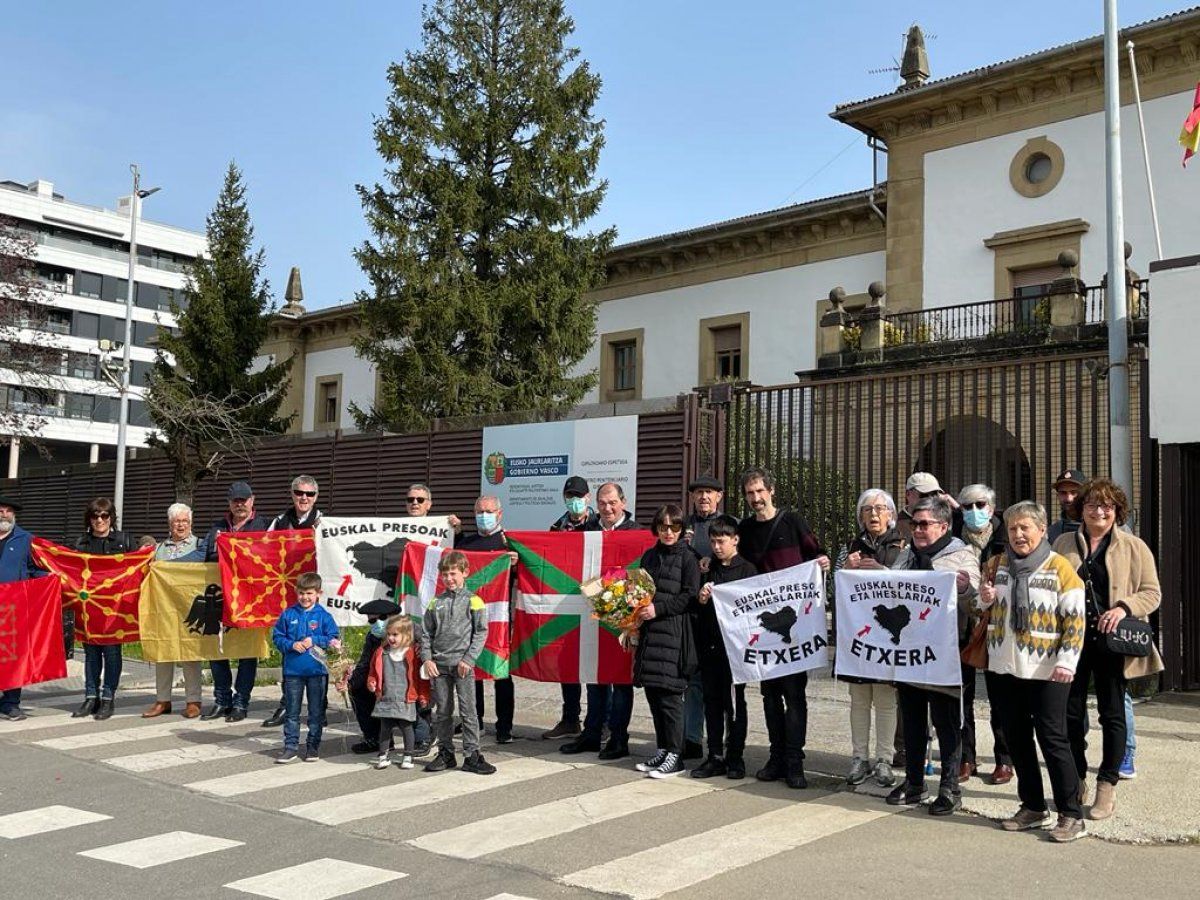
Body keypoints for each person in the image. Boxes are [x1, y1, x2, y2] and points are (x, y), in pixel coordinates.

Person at [1053, 478, 1163, 821]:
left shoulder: (1134, 547)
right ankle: (1076, 779)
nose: (1098, 511)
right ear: (1081, 509)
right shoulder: (1063, 543)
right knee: (1070, 715)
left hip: (1112, 643)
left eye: (1106, 506)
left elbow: (1152, 593)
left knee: (1112, 714)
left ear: (1117, 511)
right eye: (1091, 505)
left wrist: (1124, 607)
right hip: (1072, 641)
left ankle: (1107, 784)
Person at [980, 500, 1087, 843]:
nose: (1018, 534)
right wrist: (984, 597)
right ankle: (1033, 807)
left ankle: (1071, 813)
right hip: (1004, 666)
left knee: (1053, 739)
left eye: (1025, 527)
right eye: (1013, 528)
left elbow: (1075, 621)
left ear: (1042, 530)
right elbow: (983, 607)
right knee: (1016, 738)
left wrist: (1067, 661)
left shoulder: (1060, 568)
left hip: (1047, 669)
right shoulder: (997, 564)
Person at [735, 466, 829, 789]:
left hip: (795, 624)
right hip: (764, 628)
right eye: (750, 493)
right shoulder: (745, 530)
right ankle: (776, 757)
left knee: (795, 695)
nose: (756, 498)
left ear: (771, 490)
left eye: (760, 491)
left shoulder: (793, 522)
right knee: (770, 696)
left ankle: (794, 761)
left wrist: (823, 561)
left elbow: (816, 553)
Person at [886, 495, 979, 816]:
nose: (917, 530)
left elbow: (976, 604)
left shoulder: (961, 556)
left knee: (947, 720)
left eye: (924, 524)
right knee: (912, 719)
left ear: (943, 526)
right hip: (910, 649)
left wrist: (965, 589)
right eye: (914, 524)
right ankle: (914, 782)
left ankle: (950, 788)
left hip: (946, 654)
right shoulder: (906, 555)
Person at [561, 482, 642, 761]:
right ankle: (592, 733)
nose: (607, 508)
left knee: (621, 681)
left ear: (623, 502)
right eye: (602, 503)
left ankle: (618, 737)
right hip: (593, 615)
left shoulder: (637, 533)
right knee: (594, 677)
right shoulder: (587, 531)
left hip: (623, 619)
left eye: (612, 503)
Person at [836, 488, 905, 788]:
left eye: (879, 508)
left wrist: (882, 571)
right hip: (858, 636)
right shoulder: (850, 547)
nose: (874, 514)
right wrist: (845, 569)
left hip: (888, 636)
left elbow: (910, 588)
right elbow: (834, 588)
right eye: (867, 510)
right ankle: (859, 758)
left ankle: (884, 760)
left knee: (886, 701)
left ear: (891, 514)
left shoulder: (903, 547)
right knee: (859, 700)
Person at [632, 504, 700, 779]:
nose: (669, 532)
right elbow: (639, 592)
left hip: (674, 633)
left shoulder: (689, 558)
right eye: (663, 527)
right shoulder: (649, 556)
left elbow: (690, 596)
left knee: (670, 697)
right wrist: (633, 622)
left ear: (682, 529)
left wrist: (659, 609)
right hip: (650, 634)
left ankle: (676, 755)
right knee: (654, 694)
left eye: (674, 527)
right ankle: (663, 749)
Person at [955, 483, 1013, 785]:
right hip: (962, 624)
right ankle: (966, 757)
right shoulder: (954, 541)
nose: (974, 511)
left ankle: (1005, 759)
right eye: (967, 506)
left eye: (980, 505)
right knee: (961, 695)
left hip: (997, 626)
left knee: (1000, 697)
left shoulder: (1006, 539)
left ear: (991, 508)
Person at [693, 514, 756, 779]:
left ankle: (735, 756)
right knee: (711, 702)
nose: (717, 547)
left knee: (734, 704)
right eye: (713, 542)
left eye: (721, 541)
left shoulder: (748, 570)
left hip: (736, 651)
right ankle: (715, 755)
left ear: (735, 540)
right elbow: (697, 607)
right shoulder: (708, 569)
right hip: (710, 647)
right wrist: (702, 598)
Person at [421, 550, 496, 775]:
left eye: (453, 573)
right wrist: (427, 659)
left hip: (462, 667)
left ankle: (472, 755)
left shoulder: (474, 600)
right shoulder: (435, 602)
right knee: (443, 712)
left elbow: (481, 632)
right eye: (445, 575)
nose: (449, 578)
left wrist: (468, 659)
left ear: (465, 573)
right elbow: (426, 633)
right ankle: (445, 753)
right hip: (439, 667)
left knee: (468, 711)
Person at [201, 481, 270, 722]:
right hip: (221, 597)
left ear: (252, 500)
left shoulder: (264, 526)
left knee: (247, 652)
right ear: (229, 503)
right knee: (217, 648)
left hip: (251, 599)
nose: (240, 504)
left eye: (244, 500)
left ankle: (241, 702)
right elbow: (206, 557)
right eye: (235, 501)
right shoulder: (217, 528)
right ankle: (222, 699)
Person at [262, 475, 325, 729]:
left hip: (315, 597)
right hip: (287, 594)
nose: (304, 498)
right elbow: (262, 550)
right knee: (290, 649)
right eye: (299, 493)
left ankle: (319, 708)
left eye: (309, 494)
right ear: (292, 494)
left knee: (320, 651)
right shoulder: (279, 521)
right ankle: (287, 703)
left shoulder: (324, 522)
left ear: (316, 497)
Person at [72, 497, 138, 720]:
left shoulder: (124, 540)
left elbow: (137, 568)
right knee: (91, 655)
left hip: (115, 610)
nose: (99, 520)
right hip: (89, 608)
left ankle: (108, 698)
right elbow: (69, 571)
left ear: (111, 518)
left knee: (111, 654)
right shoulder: (80, 543)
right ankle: (91, 697)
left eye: (104, 515)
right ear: (89, 519)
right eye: (95, 516)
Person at [458, 494, 516, 744]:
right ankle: (476, 721)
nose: (484, 516)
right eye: (479, 512)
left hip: (499, 615)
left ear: (499, 514)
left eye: (489, 511)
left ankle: (505, 726)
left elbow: (528, 574)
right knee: (471, 667)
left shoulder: (509, 543)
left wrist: (516, 563)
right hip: (469, 614)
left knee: (501, 671)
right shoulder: (466, 544)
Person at [543, 475, 594, 741]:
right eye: (570, 496)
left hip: (596, 601)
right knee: (568, 663)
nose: (574, 501)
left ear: (588, 498)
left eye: (579, 496)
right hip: (567, 601)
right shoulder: (557, 527)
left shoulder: (598, 524)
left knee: (596, 662)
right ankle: (570, 719)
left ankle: (599, 722)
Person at [272, 572, 341, 763]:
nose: (305, 597)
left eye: (309, 593)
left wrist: (315, 640)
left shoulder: (324, 616)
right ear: (296, 592)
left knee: (316, 712)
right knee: (292, 712)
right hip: (292, 672)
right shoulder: (288, 614)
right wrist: (291, 645)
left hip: (317, 673)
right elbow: (277, 637)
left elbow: (334, 639)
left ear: (319, 593)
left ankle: (312, 747)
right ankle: (290, 747)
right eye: (301, 593)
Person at [143, 503, 204, 719]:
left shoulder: (200, 545)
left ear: (191, 523)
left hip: (190, 608)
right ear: (170, 523)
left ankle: (193, 700)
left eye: (185, 521)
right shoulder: (158, 549)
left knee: (190, 653)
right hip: (163, 609)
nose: (181, 525)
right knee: (163, 652)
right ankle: (163, 700)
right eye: (177, 521)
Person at [681, 475, 724, 760]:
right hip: (692, 610)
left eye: (709, 492)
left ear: (719, 496)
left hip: (721, 613)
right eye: (698, 493)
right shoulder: (682, 525)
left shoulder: (730, 524)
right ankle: (692, 738)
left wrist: (715, 562)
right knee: (693, 677)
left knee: (723, 681)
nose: (703, 497)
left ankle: (724, 742)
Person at [368, 614, 429, 771]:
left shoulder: (413, 654)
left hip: (405, 699)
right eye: (389, 634)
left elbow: (421, 678)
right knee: (385, 728)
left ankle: (408, 755)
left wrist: (423, 695)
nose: (391, 638)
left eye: (395, 634)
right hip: (386, 698)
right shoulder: (381, 652)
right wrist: (372, 681)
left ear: (406, 635)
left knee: (407, 728)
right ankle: (383, 755)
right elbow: (373, 671)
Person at [345, 598, 402, 754]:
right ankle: (374, 738)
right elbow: (364, 663)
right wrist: (350, 682)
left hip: (403, 681)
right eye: (372, 620)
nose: (377, 623)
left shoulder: (408, 632)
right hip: (378, 680)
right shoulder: (372, 637)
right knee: (357, 689)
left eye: (382, 618)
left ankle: (421, 738)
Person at [0, 496, 39, 722]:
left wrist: (53, 579)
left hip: (14, 608)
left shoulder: (26, 540)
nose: (4, 514)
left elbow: (37, 567)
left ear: (14, 515)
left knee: (13, 656)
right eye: (1, 510)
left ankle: (11, 703)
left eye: (8, 511)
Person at [899, 472, 963, 540]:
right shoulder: (897, 524)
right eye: (924, 495)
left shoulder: (950, 518)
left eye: (934, 494)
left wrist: (957, 507)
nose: (930, 499)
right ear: (908, 494)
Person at [1046, 469, 1086, 543]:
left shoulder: (1096, 527)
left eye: (1074, 492)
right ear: (1058, 495)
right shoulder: (1052, 532)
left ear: (1085, 494)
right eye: (1063, 493)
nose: (1069, 499)